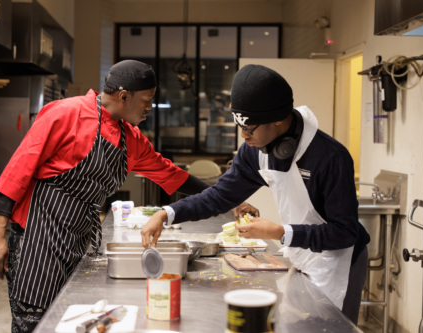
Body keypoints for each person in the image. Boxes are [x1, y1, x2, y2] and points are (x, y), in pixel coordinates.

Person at [0, 60, 213, 332]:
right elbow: (18, 169)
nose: (150, 107)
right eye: (147, 100)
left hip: (80, 238)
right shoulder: (67, 112)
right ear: (124, 96)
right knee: (34, 322)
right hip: (40, 239)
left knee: (77, 317)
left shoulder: (132, 138)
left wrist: (221, 196)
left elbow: (171, 174)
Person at [141, 64, 370, 325]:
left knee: (332, 329)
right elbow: (220, 196)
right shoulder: (255, 150)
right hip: (303, 253)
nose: (244, 136)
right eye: (239, 126)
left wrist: (280, 232)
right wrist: (168, 213)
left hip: (340, 260)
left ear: (278, 119)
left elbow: (344, 232)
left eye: (249, 128)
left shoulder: (330, 158)